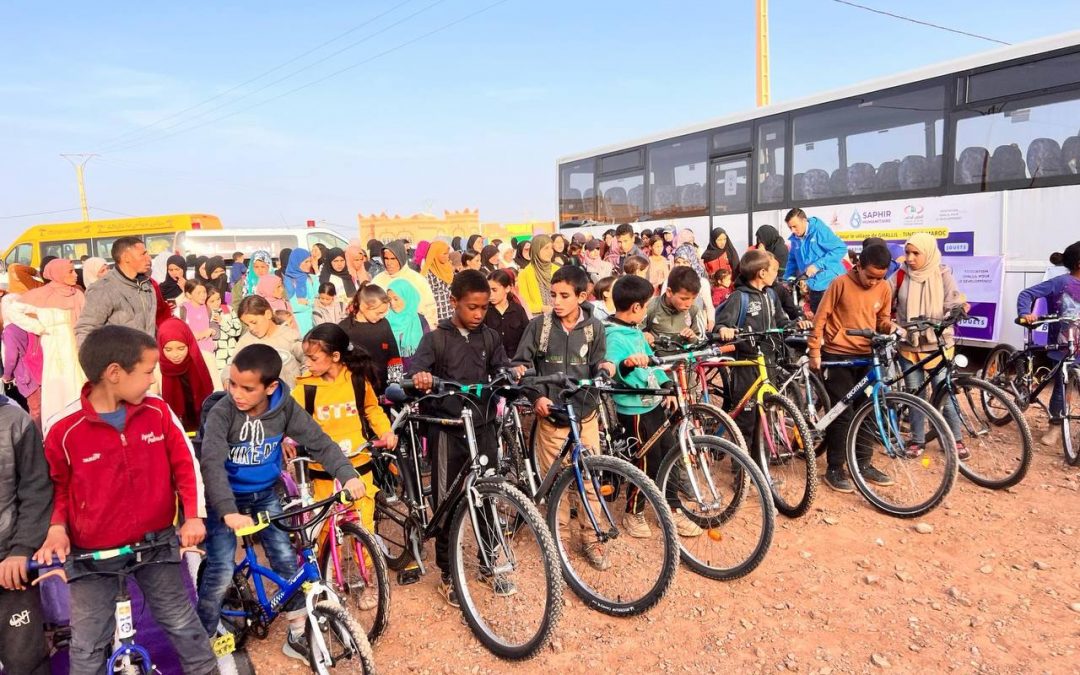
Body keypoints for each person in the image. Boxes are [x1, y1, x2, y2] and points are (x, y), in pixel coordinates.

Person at [35, 325, 216, 674]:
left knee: (182, 623)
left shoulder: (158, 412)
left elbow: (185, 466)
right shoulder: (63, 428)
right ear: (114, 373)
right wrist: (57, 528)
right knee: (88, 643)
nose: (152, 380)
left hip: (156, 543)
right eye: (148, 371)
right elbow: (56, 487)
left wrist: (192, 516)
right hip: (90, 556)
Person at [197, 343, 366, 660]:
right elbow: (212, 465)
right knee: (220, 570)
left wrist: (348, 474)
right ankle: (201, 640)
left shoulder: (284, 408)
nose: (237, 393)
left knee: (287, 562)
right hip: (225, 498)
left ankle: (297, 635)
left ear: (270, 386)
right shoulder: (223, 413)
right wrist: (229, 512)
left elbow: (319, 442)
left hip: (265, 493)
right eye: (232, 384)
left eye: (247, 388)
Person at [407, 270, 512, 606]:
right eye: (472, 307)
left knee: (486, 496)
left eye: (484, 307)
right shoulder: (436, 339)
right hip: (446, 431)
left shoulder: (491, 336)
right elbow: (415, 374)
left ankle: (488, 564)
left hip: (482, 429)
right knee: (448, 502)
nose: (479, 314)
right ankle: (449, 574)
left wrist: (511, 373)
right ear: (454, 302)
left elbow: (501, 367)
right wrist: (421, 377)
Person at [512, 265, 614, 569]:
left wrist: (606, 369)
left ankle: (592, 538)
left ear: (582, 297)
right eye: (553, 294)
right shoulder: (539, 326)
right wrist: (536, 396)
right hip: (552, 417)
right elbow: (521, 366)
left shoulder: (595, 327)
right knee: (555, 481)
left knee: (590, 477)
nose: (556, 301)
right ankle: (558, 540)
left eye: (564, 295)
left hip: (585, 414)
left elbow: (600, 362)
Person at [292, 325, 397, 591]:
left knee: (363, 522)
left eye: (313, 358)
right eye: (307, 358)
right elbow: (290, 420)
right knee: (323, 529)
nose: (308, 363)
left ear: (335, 357)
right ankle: (321, 581)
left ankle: (368, 578)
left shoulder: (357, 380)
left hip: (359, 465)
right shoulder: (305, 389)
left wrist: (385, 431)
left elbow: (372, 409)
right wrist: (286, 439)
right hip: (323, 472)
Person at [604, 274, 703, 538]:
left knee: (668, 453)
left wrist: (666, 385)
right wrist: (626, 364)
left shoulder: (635, 331)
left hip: (653, 403)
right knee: (644, 461)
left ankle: (672, 508)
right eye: (646, 305)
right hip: (634, 410)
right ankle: (633, 513)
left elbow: (652, 362)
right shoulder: (614, 336)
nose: (647, 310)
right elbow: (612, 365)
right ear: (636, 307)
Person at [808, 244, 897, 493]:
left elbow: (883, 321)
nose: (873, 282)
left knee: (867, 410)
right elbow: (820, 318)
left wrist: (891, 328)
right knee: (843, 412)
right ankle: (835, 468)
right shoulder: (839, 284)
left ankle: (863, 464)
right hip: (838, 357)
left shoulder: (884, 287)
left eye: (879, 277)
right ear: (857, 266)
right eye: (869, 276)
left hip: (867, 357)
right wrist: (815, 350)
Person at [714, 249, 812, 443]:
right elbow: (722, 324)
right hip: (747, 363)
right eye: (773, 270)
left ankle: (762, 464)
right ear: (762, 273)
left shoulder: (771, 296)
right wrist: (724, 329)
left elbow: (780, 321)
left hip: (768, 361)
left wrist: (794, 324)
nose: (777, 274)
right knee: (747, 416)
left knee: (766, 413)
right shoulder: (739, 297)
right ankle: (742, 468)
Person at [893, 233, 968, 459]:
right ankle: (918, 440)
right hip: (909, 345)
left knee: (944, 392)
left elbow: (955, 301)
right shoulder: (899, 276)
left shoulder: (943, 274)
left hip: (938, 346)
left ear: (929, 252)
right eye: (908, 252)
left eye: (916, 253)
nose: (910, 258)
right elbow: (884, 299)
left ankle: (954, 439)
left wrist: (958, 309)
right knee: (915, 395)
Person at [0, 391, 51, 675]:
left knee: (26, 662)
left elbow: (36, 490)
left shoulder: (15, 421)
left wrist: (22, 548)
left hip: (11, 571)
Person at [6, 259, 87, 431]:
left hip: (74, 347)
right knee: (56, 388)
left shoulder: (77, 294)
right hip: (51, 346)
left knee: (77, 384)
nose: (75, 275)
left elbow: (85, 321)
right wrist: (37, 327)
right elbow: (13, 310)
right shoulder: (41, 295)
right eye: (70, 271)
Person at [1017, 241, 1080, 447]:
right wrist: (1026, 313)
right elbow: (1027, 294)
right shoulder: (1061, 282)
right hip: (1063, 346)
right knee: (1061, 387)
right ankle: (1055, 426)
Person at [75, 236, 157, 345]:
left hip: (146, 357)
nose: (149, 258)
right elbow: (86, 329)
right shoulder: (104, 288)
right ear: (126, 257)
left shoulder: (147, 285)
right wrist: (94, 360)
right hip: (119, 359)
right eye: (143, 254)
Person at [783, 208, 848, 313]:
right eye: (790, 227)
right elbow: (792, 261)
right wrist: (788, 279)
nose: (793, 231)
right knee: (817, 322)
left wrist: (817, 265)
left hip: (831, 284)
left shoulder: (819, 230)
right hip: (814, 287)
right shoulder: (795, 239)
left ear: (804, 220)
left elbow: (840, 249)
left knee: (833, 322)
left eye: (795, 226)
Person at [157, 318, 215, 433]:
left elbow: (216, 394)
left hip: (206, 426)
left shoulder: (206, 359)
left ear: (189, 343)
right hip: (175, 431)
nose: (175, 355)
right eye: (168, 350)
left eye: (181, 348)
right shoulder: (155, 368)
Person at [340, 284, 402, 392]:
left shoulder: (384, 324)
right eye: (379, 313)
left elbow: (394, 356)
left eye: (384, 313)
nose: (382, 316)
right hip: (355, 390)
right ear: (363, 307)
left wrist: (395, 385)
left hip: (383, 389)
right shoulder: (344, 328)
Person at [234, 295, 305, 388]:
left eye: (254, 322)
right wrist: (228, 380)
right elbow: (233, 366)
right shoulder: (246, 342)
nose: (251, 328)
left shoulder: (289, 335)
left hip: (294, 396)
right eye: (247, 324)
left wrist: (305, 383)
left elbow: (307, 358)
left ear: (268, 314)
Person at [371, 240, 438, 327]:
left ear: (401, 258)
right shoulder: (378, 281)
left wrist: (430, 330)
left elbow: (430, 308)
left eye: (393, 259)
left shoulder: (416, 279)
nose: (389, 263)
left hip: (416, 331)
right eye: (386, 258)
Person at [645, 266, 708, 355]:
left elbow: (702, 341)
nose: (689, 304)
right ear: (669, 292)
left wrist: (692, 337)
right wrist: (644, 335)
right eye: (684, 299)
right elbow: (633, 332)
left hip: (683, 362)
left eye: (693, 298)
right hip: (655, 362)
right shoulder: (651, 306)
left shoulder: (694, 310)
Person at [2, 294, 43, 427]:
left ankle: (38, 441)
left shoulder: (10, 330)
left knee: (36, 410)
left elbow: (11, 356)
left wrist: (7, 375)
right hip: (40, 371)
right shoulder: (30, 323)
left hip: (27, 377)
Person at [387, 278, 429, 373]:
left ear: (407, 297)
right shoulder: (386, 321)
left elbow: (428, 351)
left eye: (396, 299)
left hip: (418, 374)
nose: (392, 304)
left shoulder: (420, 321)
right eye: (389, 300)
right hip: (394, 374)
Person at [485, 269, 529, 358]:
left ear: (507, 288)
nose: (490, 294)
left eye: (494, 290)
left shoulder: (518, 310)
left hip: (516, 361)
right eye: (488, 290)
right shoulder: (484, 311)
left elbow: (528, 338)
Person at [519, 234, 558, 316]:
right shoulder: (525, 273)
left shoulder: (558, 270)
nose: (550, 252)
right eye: (546, 248)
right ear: (536, 250)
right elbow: (523, 303)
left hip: (559, 316)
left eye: (551, 248)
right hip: (538, 320)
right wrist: (542, 308)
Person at [207, 286, 243, 375]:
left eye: (218, 299)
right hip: (215, 356)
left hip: (231, 352)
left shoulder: (226, 308)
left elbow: (237, 330)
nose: (216, 303)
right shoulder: (203, 313)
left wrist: (222, 322)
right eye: (212, 301)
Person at [282, 247, 317, 335]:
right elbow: (292, 306)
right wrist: (309, 303)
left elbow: (318, 300)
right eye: (306, 262)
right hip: (296, 325)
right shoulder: (286, 281)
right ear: (296, 263)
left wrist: (307, 302)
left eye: (310, 261)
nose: (309, 264)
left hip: (313, 322)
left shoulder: (312, 279)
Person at [180, 279, 216, 355]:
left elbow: (216, 329)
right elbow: (180, 333)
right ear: (188, 295)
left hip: (208, 352)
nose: (203, 295)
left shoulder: (208, 309)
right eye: (198, 293)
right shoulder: (182, 310)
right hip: (190, 352)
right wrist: (200, 334)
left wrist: (213, 330)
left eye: (204, 292)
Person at [422, 240, 456, 322]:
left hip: (451, 311)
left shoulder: (448, 267)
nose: (447, 256)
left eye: (448, 253)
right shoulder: (427, 273)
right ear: (435, 253)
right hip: (437, 314)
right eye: (444, 253)